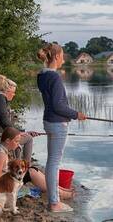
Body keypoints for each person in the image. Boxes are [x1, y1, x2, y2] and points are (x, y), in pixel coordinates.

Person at [37, 43, 88, 213]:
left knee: (52, 162)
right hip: (57, 123)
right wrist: (76, 114)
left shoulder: (42, 76)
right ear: (57, 56)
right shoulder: (55, 77)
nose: (64, 58)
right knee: (54, 163)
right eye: (63, 55)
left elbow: (53, 103)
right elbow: (58, 106)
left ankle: (54, 201)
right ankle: (54, 203)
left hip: (48, 121)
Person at [0, 127, 74, 199]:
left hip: (1, 182)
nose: (18, 144)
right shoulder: (1, 155)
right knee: (31, 172)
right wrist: (13, 175)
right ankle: (61, 193)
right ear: (8, 141)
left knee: (31, 170)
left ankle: (60, 189)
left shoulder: (1, 150)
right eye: (16, 141)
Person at [0, 74, 39, 164]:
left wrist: (19, 131)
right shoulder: (0, 99)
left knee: (21, 134)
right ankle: (25, 167)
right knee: (28, 138)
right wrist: (18, 133)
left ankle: (17, 163)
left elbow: (4, 121)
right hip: (0, 135)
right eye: (13, 92)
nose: (14, 95)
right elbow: (4, 121)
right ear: (7, 91)